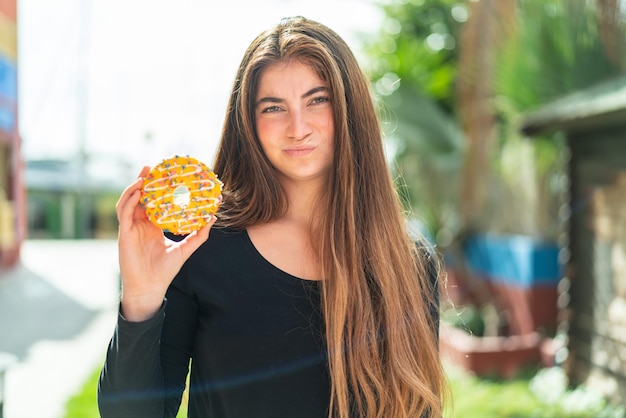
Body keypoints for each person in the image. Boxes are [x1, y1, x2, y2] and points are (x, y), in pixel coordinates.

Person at [98, 15, 448, 418]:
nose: (298, 128)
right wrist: (141, 298)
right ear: (249, 123)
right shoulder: (203, 245)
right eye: (273, 108)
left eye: (318, 100)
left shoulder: (408, 262)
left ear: (351, 110)